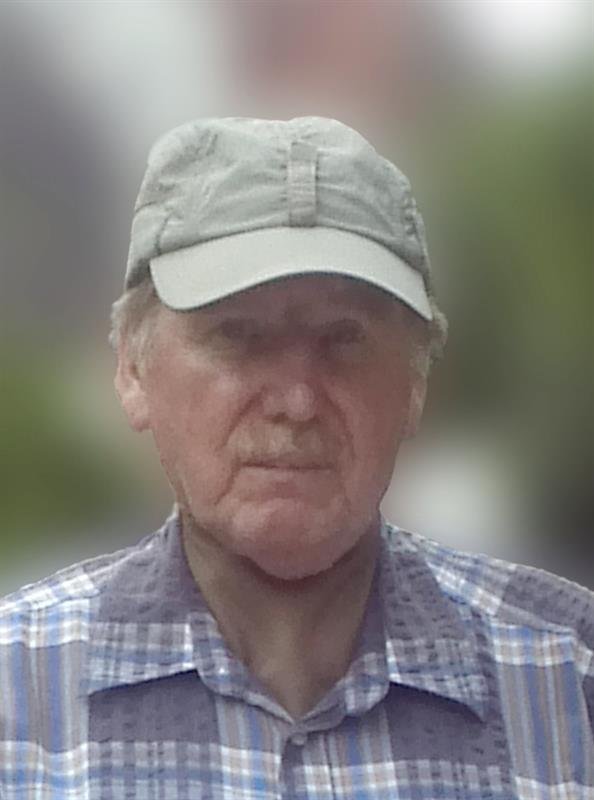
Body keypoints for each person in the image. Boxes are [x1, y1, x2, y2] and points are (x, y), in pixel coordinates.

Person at [0, 117, 592, 799]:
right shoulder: (17, 697)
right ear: (132, 370)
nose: (296, 400)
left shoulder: (571, 681)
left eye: (343, 338)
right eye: (238, 336)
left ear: (417, 383)